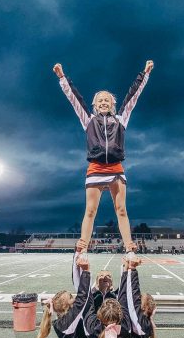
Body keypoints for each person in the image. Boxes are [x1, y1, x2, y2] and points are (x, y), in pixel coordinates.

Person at [53, 61, 154, 254]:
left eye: (107, 100)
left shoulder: (121, 119)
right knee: (90, 211)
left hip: (116, 168)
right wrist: (62, 78)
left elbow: (134, 95)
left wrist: (145, 74)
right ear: (95, 105)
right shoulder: (88, 120)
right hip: (96, 168)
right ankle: (82, 247)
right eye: (100, 100)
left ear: (113, 104)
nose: (103, 102)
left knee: (121, 210)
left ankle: (129, 247)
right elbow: (74, 97)